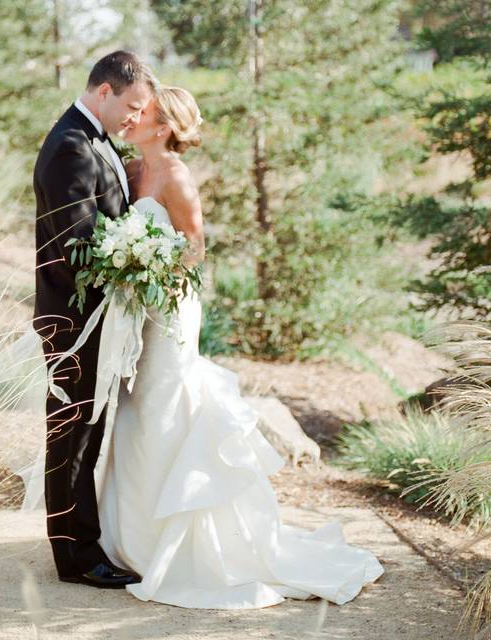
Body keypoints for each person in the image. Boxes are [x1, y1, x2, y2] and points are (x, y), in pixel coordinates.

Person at [94, 86, 386, 608]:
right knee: (137, 409)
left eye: (145, 114)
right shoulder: (131, 171)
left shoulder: (177, 179)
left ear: (163, 128)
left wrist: (148, 270)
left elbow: (195, 250)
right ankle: (133, 537)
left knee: (166, 405)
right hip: (140, 310)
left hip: (172, 308)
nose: (133, 118)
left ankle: (183, 544)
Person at [32, 50, 155, 589]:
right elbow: (70, 248)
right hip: (73, 317)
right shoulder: (69, 147)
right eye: (130, 106)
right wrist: (135, 258)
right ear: (104, 91)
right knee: (71, 436)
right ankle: (76, 558)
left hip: (98, 316)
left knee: (89, 431)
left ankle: (84, 543)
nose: (134, 118)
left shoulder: (97, 142)